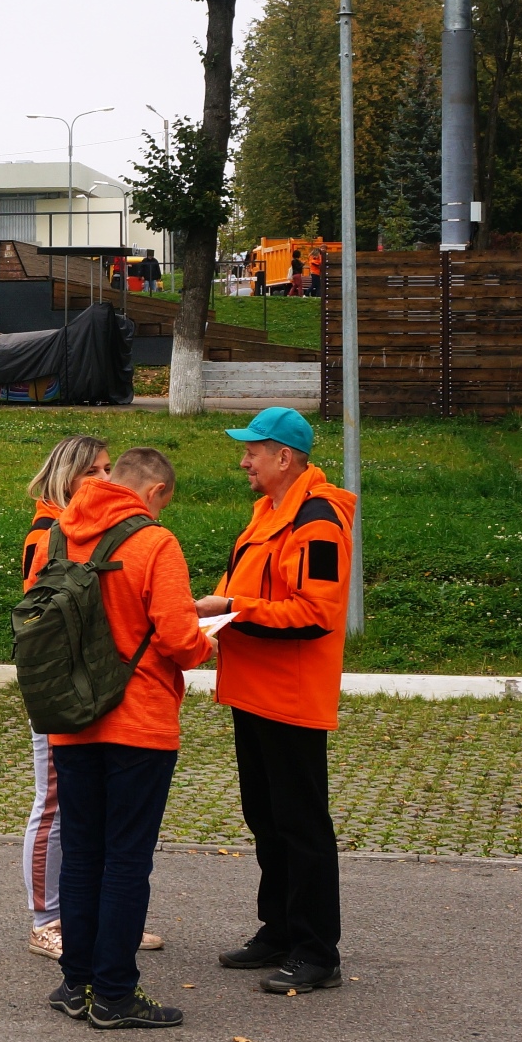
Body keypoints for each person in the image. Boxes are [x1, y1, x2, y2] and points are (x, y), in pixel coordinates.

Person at [35, 448, 215, 1030]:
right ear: (155, 492)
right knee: (126, 860)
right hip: (139, 722)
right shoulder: (154, 542)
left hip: (72, 719)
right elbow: (179, 639)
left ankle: (76, 984)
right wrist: (208, 643)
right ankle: (114, 995)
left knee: (82, 854)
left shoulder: (56, 536)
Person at [195, 407, 358, 996]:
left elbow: (315, 614)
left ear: (284, 457)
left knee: (301, 824)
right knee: (266, 817)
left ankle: (316, 951)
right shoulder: (269, 512)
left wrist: (230, 611)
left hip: (290, 697)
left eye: (252, 451)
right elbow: (246, 587)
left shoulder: (317, 522)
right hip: (254, 691)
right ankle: (280, 929)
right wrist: (214, 609)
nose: (244, 461)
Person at [22, 434, 143, 963]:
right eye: (93, 471)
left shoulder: (86, 528)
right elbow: (45, 613)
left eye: (109, 468)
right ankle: (46, 920)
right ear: (66, 476)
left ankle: (95, 917)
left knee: (89, 807)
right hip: (62, 686)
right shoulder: (49, 532)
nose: (106, 479)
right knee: (52, 803)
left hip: (89, 683)